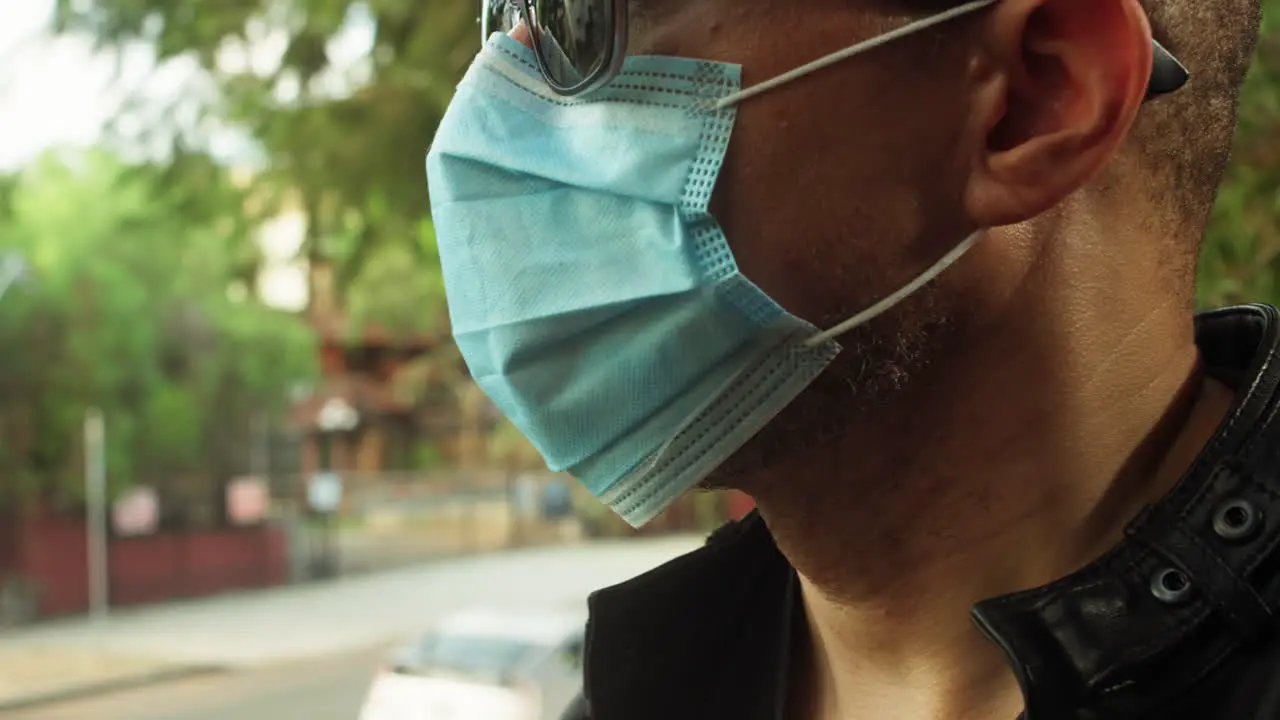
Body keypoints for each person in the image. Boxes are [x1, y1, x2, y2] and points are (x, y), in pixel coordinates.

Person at [425, 0, 1272, 717]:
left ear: (1034, 101)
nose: (494, 95)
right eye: (504, 11)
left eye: (584, 14)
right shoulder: (645, 686)